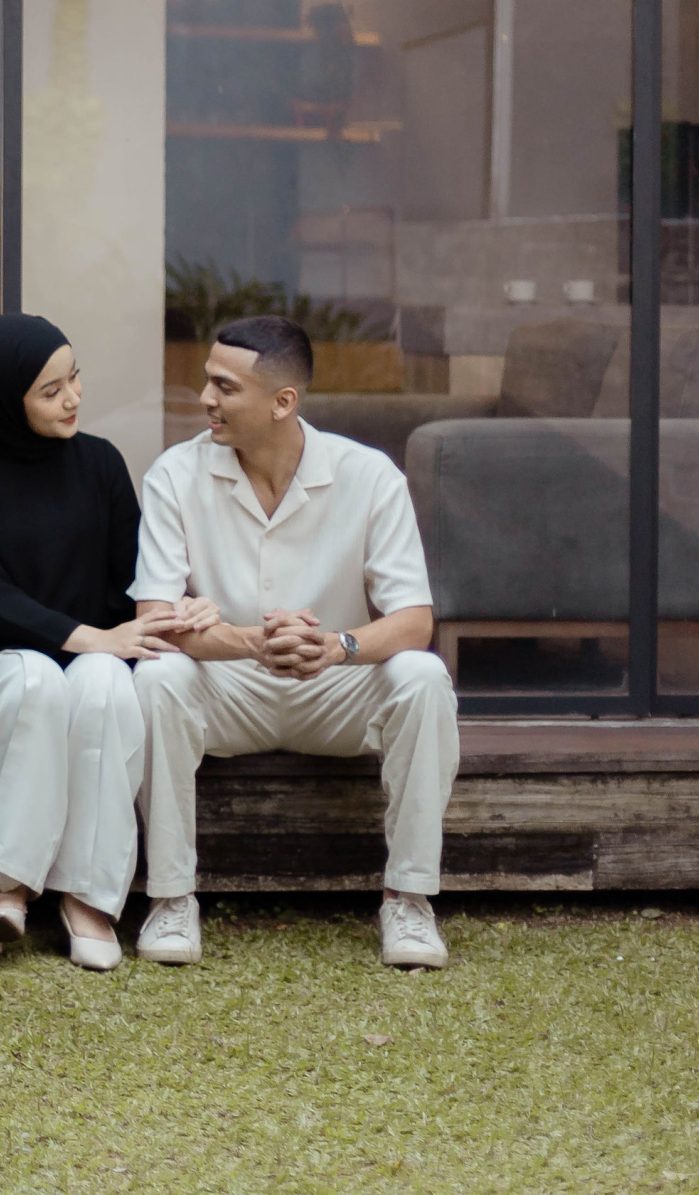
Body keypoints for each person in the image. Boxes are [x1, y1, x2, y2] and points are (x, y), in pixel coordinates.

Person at [128, 314, 458, 969]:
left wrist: (336, 646)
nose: (205, 399)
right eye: (207, 381)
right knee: (157, 678)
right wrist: (250, 642)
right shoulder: (174, 474)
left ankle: (409, 898)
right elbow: (154, 620)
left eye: (225, 387)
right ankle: (170, 897)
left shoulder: (369, 475)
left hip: (334, 687)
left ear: (283, 402)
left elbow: (414, 620)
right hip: (229, 686)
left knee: (422, 676)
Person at [0, 314, 195, 971]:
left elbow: (135, 575)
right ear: (1, 399)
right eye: (51, 390)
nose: (73, 397)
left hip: (83, 672)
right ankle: (10, 887)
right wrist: (94, 637)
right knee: (37, 675)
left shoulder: (100, 462)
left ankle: (88, 899)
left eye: (74, 378)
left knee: (102, 679)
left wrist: (182, 605)